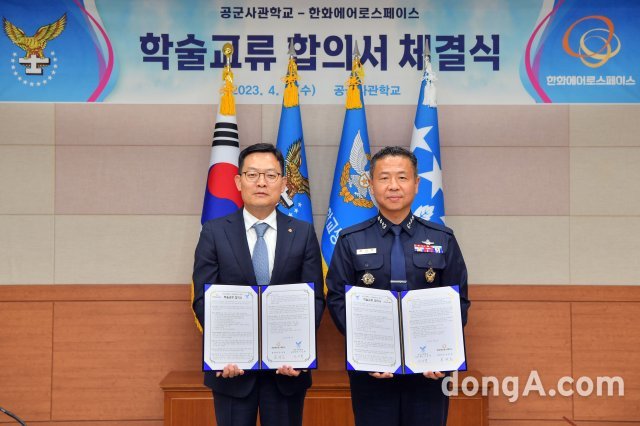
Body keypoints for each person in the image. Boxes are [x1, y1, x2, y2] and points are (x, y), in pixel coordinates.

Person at [326, 146, 470, 426]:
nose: (393, 186)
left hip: (429, 372)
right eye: (384, 178)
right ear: (370, 185)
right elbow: (337, 299)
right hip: (372, 372)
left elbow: (458, 301)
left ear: (416, 184)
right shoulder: (350, 239)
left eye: (402, 177)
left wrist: (440, 353)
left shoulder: (442, 238)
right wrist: (368, 350)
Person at [192, 143, 325, 426]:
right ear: (238, 181)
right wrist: (223, 350)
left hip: (286, 371)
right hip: (231, 370)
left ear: (284, 183)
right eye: (252, 174)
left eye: (270, 175)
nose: (261, 182)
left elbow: (314, 298)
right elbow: (203, 297)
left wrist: (297, 350)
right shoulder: (214, 232)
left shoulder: (302, 233)